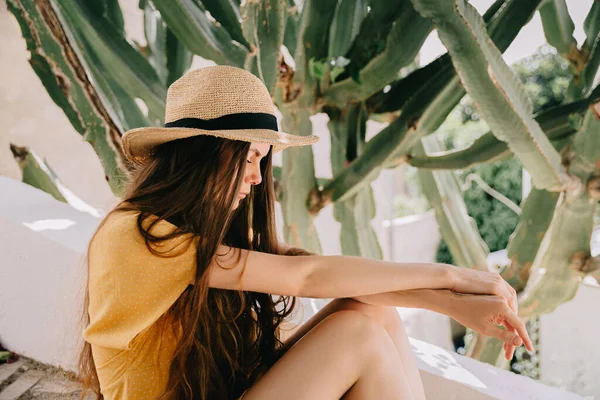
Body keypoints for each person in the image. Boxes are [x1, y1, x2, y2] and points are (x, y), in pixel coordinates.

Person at [78, 65, 533, 400]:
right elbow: (308, 278)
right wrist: (455, 278)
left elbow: (328, 277)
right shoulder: (139, 235)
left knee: (370, 312)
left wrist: (453, 306)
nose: (257, 179)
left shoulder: (195, 237)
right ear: (206, 153)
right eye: (250, 157)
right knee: (357, 336)